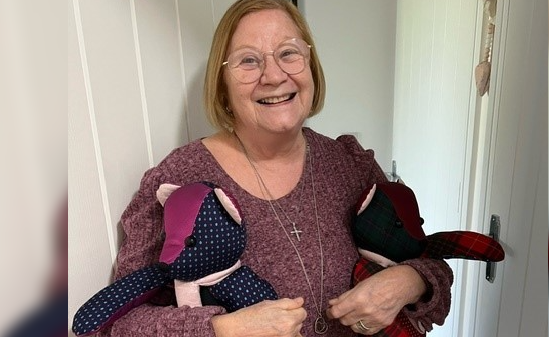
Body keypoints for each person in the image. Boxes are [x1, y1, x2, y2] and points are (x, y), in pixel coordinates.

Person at [99, 0, 453, 336]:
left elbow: (433, 268)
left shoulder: (350, 163)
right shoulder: (179, 182)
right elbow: (117, 324)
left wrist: (409, 282)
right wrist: (223, 329)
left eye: (288, 53)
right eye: (249, 61)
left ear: (310, 66)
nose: (273, 75)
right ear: (222, 86)